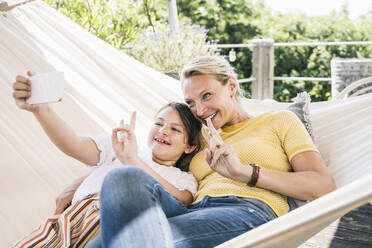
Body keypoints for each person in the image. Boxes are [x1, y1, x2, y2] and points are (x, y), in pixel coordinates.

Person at [87, 56, 335, 248]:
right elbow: (159, 169)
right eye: (192, 103)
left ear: (231, 87)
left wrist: (244, 173)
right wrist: (86, 179)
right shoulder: (195, 137)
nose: (201, 110)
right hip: (189, 212)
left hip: (245, 211)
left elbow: (321, 185)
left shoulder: (279, 121)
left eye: (207, 96)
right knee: (123, 178)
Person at [11, 71, 202, 247]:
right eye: (159, 123)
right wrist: (42, 111)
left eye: (175, 129)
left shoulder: (181, 178)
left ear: (190, 146)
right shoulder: (118, 146)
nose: (163, 130)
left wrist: (133, 161)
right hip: (69, 220)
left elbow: (180, 201)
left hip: (111, 223)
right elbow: (75, 145)